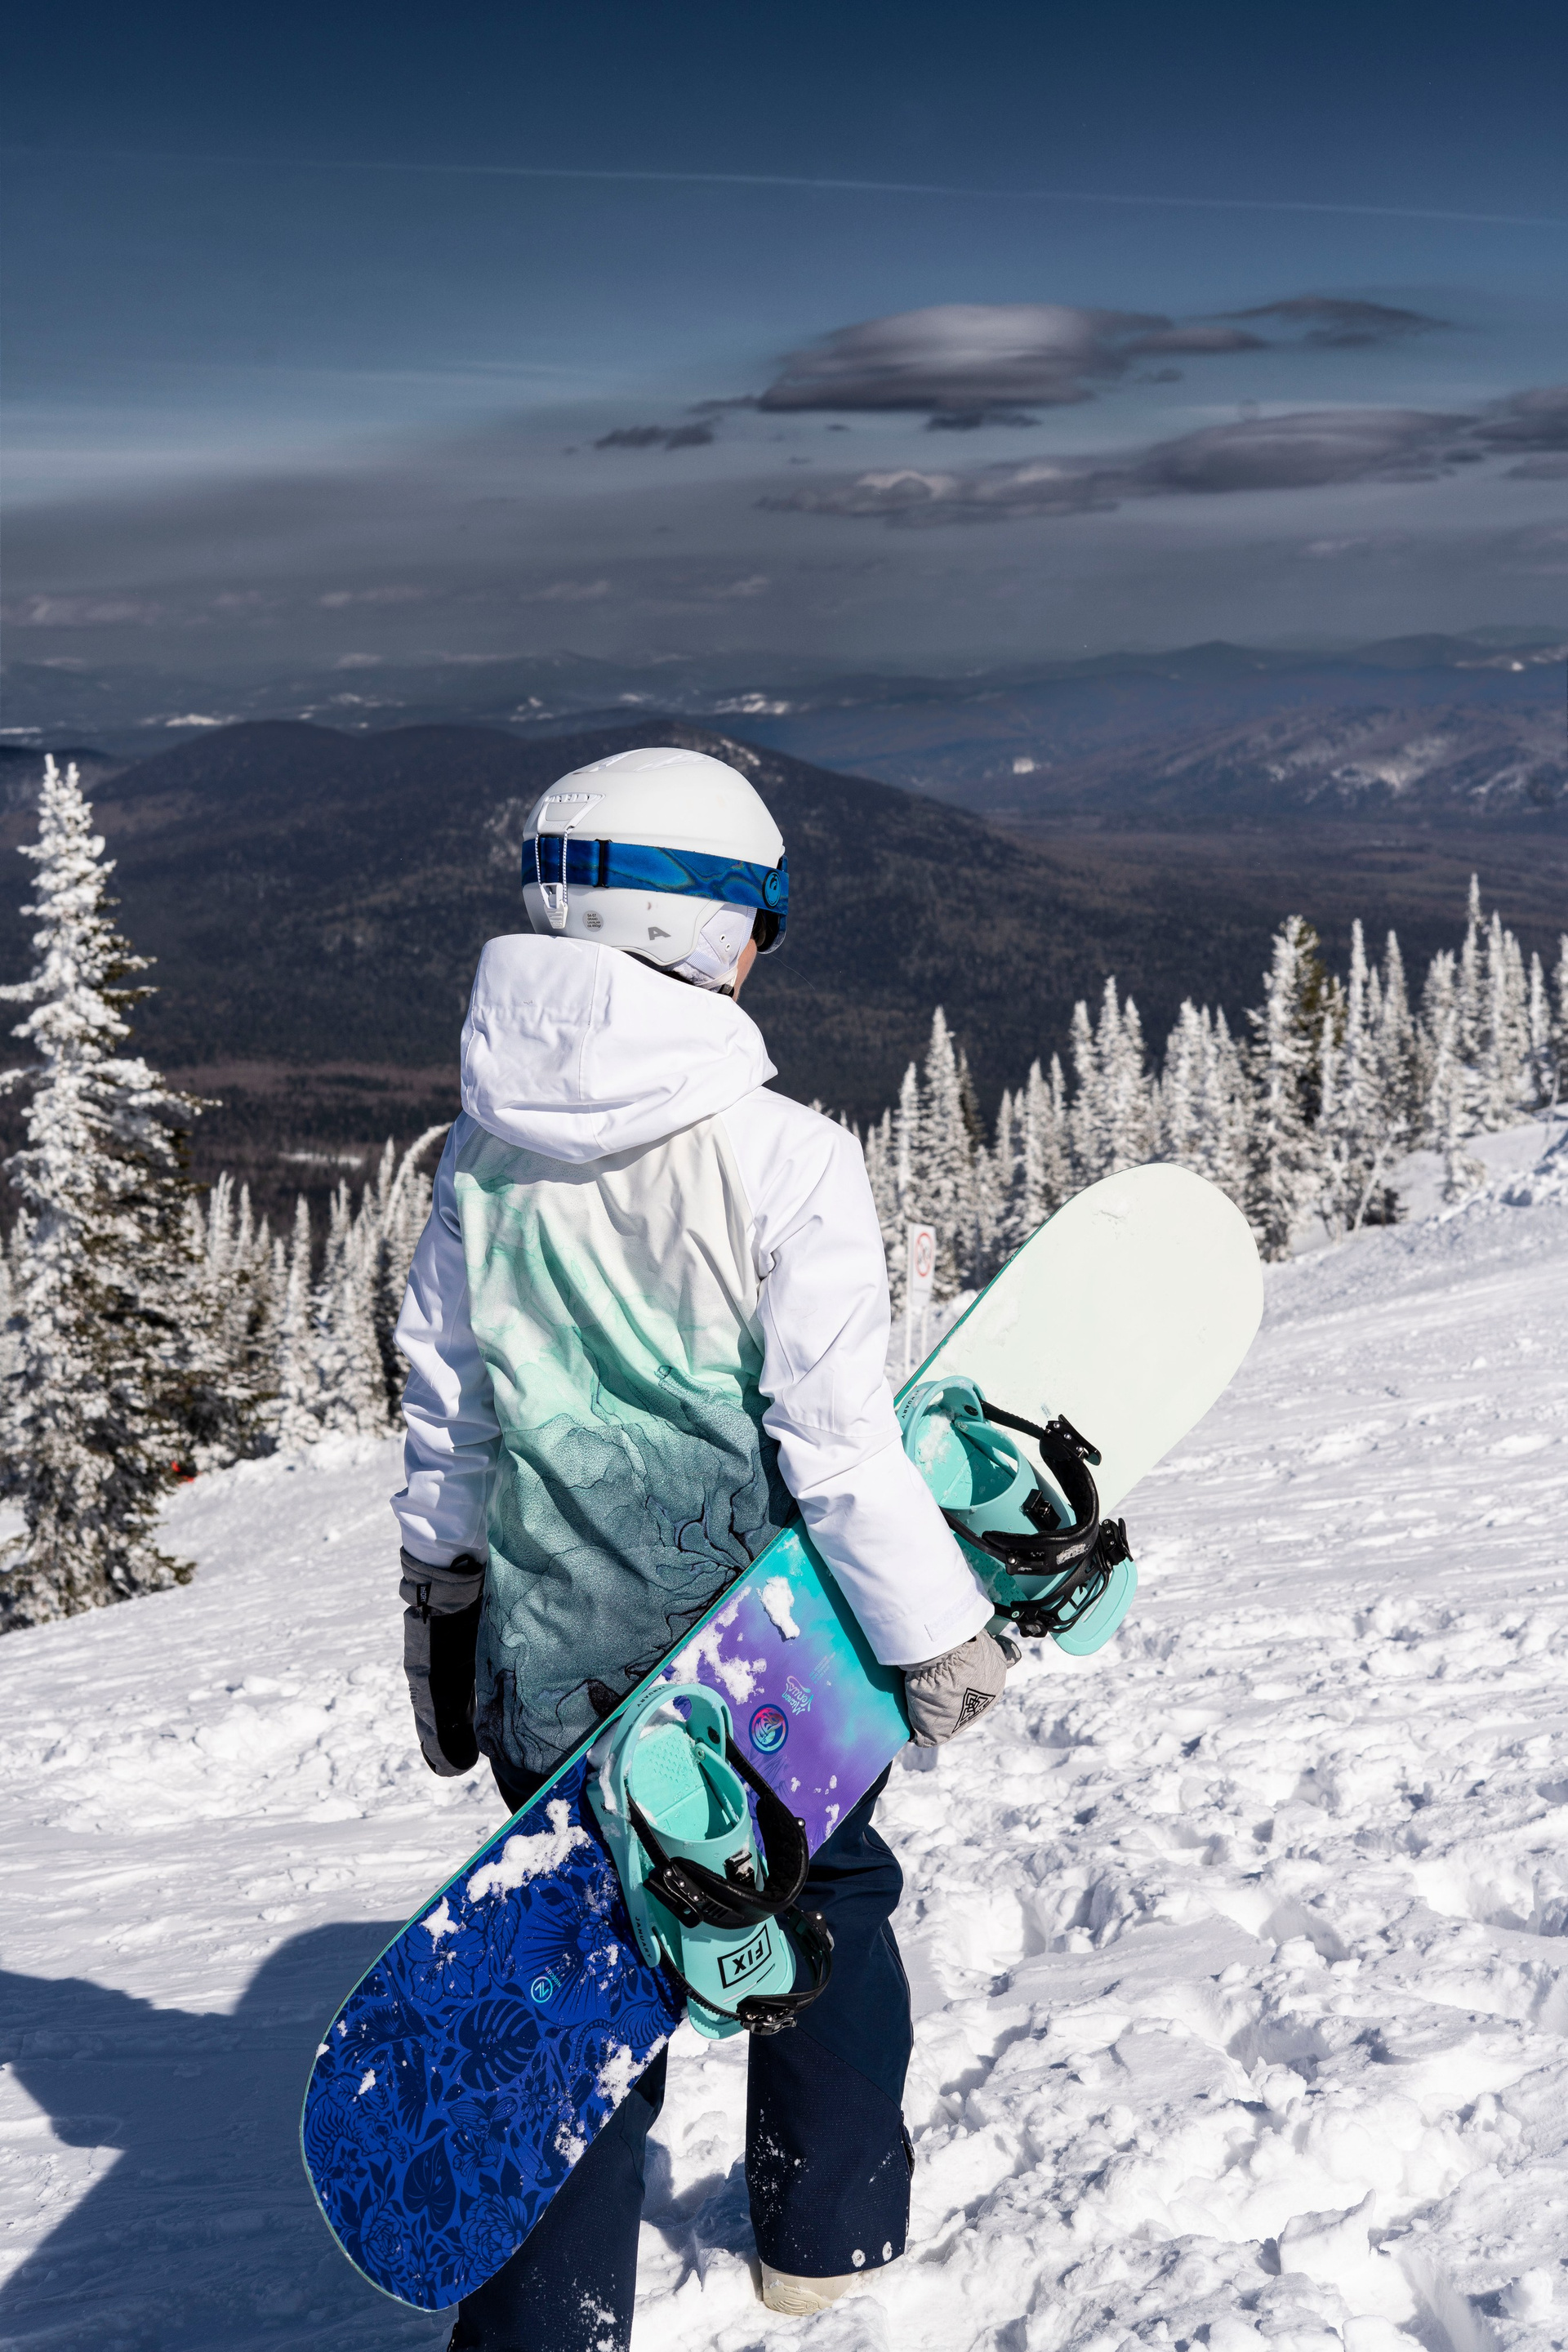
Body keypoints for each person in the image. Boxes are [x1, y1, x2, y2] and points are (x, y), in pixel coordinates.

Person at [392, 745, 1013, 2349]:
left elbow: (452, 1418)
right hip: (759, 1657)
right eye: (760, 920)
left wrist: (441, 1607)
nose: (764, 952)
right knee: (829, 1897)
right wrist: (937, 1634)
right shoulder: (787, 1156)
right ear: (693, 929)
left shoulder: (477, 1157)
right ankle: (828, 2237)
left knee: (583, 1967)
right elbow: (838, 1443)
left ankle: (547, 2321)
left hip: (551, 1659)